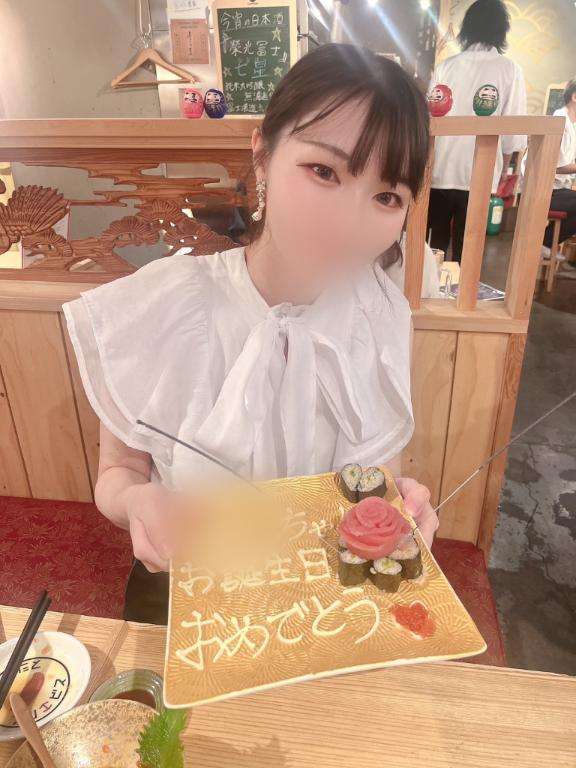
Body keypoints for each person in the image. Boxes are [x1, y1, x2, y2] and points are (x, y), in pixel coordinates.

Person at [63, 44, 439, 625]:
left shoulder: (378, 315)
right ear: (262, 153)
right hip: (186, 591)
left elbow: (372, 478)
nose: (349, 221)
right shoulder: (167, 303)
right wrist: (139, 500)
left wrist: (398, 506)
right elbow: (119, 473)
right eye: (324, 171)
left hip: (322, 597)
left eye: (387, 197)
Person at [427, 0, 527, 262]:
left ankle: (429, 287)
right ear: (501, 30)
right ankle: (462, 287)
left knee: (434, 246)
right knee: (468, 248)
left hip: (440, 170)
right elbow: (513, 130)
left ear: (467, 28)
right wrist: (505, 169)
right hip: (480, 173)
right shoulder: (509, 70)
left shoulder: (446, 66)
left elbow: (430, 118)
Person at [541, 78, 576, 255]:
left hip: (558, 188)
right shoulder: (559, 121)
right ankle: (545, 243)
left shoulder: (571, 124)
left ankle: (547, 244)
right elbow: (556, 167)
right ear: (574, 97)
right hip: (545, 191)